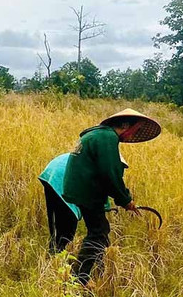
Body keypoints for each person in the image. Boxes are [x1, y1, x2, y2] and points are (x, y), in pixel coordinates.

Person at [62, 109, 161, 285]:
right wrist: (125, 199)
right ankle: (78, 279)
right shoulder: (107, 138)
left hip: (80, 189)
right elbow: (110, 174)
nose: (133, 135)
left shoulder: (97, 135)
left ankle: (93, 272)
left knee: (99, 231)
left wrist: (122, 198)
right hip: (87, 192)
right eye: (134, 130)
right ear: (124, 125)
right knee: (98, 234)